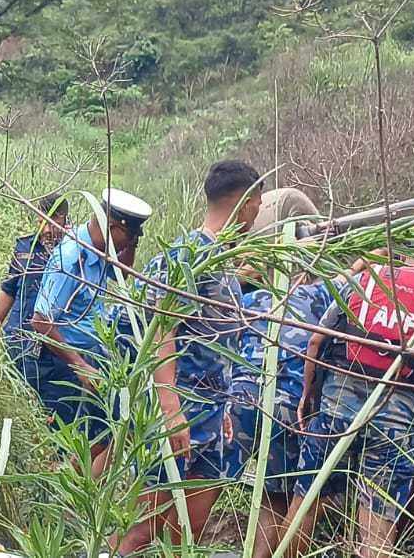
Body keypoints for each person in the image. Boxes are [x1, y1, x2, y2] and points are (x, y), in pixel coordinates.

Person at [282, 220, 414, 558]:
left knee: (304, 505)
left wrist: (308, 397)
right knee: (376, 539)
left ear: (404, 251)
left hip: (335, 412)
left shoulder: (363, 282)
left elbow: (316, 340)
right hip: (394, 429)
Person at [110, 159, 264, 553]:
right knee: (143, 526)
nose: (258, 215)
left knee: (189, 526)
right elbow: (163, 331)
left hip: (211, 414)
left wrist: (224, 407)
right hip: (181, 412)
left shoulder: (219, 261)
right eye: (258, 205)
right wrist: (171, 409)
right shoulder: (188, 256)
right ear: (246, 203)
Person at [30, 188, 151, 451]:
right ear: (112, 227)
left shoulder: (100, 249)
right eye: (127, 237)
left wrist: (131, 243)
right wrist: (79, 365)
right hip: (63, 364)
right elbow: (40, 321)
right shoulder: (73, 258)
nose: (126, 246)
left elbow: (123, 272)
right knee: (61, 444)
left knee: (90, 438)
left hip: (90, 361)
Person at [226, 279, 333, 558]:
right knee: (277, 496)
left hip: (242, 397)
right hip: (287, 405)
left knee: (209, 481)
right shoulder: (321, 296)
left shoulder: (252, 299)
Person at [0, 193, 70, 400]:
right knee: (19, 402)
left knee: (54, 408)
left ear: (65, 220)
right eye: (42, 222)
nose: (47, 230)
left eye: (53, 223)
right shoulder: (24, 248)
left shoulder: (73, 252)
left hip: (55, 350)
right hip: (19, 342)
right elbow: (9, 289)